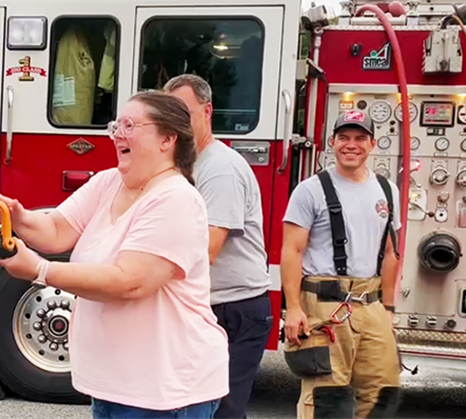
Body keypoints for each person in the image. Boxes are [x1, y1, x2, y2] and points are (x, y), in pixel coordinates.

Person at [0, 91, 229, 418]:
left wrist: (39, 270)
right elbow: (55, 229)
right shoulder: (110, 182)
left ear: (168, 138)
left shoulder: (176, 199)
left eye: (130, 125)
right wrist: (18, 217)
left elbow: (130, 282)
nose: (117, 134)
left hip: (163, 392)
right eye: (116, 126)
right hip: (113, 385)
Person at [280, 109, 403, 419]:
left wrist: (388, 309)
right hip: (324, 306)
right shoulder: (309, 190)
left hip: (371, 304)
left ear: (372, 144)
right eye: (344, 138)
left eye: (360, 138)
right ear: (332, 142)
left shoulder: (388, 191)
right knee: (326, 399)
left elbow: (390, 253)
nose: (352, 144)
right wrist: (293, 308)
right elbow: (292, 251)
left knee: (381, 395)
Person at [166, 74, 270, 419]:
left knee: (222, 411)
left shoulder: (220, 169)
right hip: (209, 305)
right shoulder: (188, 166)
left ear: (207, 111)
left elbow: (206, 250)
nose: (177, 124)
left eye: (184, 113)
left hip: (234, 309)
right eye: (170, 116)